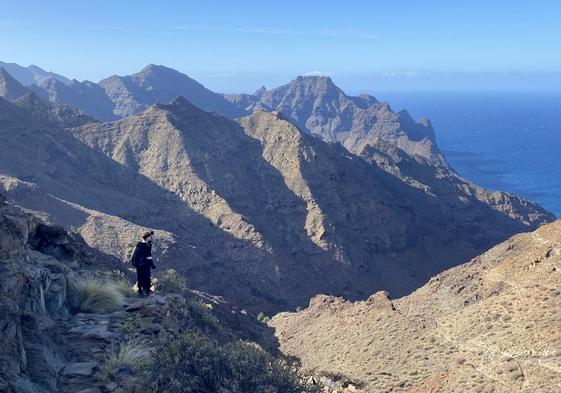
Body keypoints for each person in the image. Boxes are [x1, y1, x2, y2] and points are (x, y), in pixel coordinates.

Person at [131, 230, 156, 297]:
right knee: (147, 277)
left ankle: (139, 289)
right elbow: (149, 257)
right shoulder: (146, 246)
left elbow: (149, 240)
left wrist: (150, 234)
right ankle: (147, 291)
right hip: (145, 264)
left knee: (140, 276)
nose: (151, 238)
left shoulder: (139, 243)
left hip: (138, 263)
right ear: (147, 237)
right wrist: (152, 265)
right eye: (150, 237)